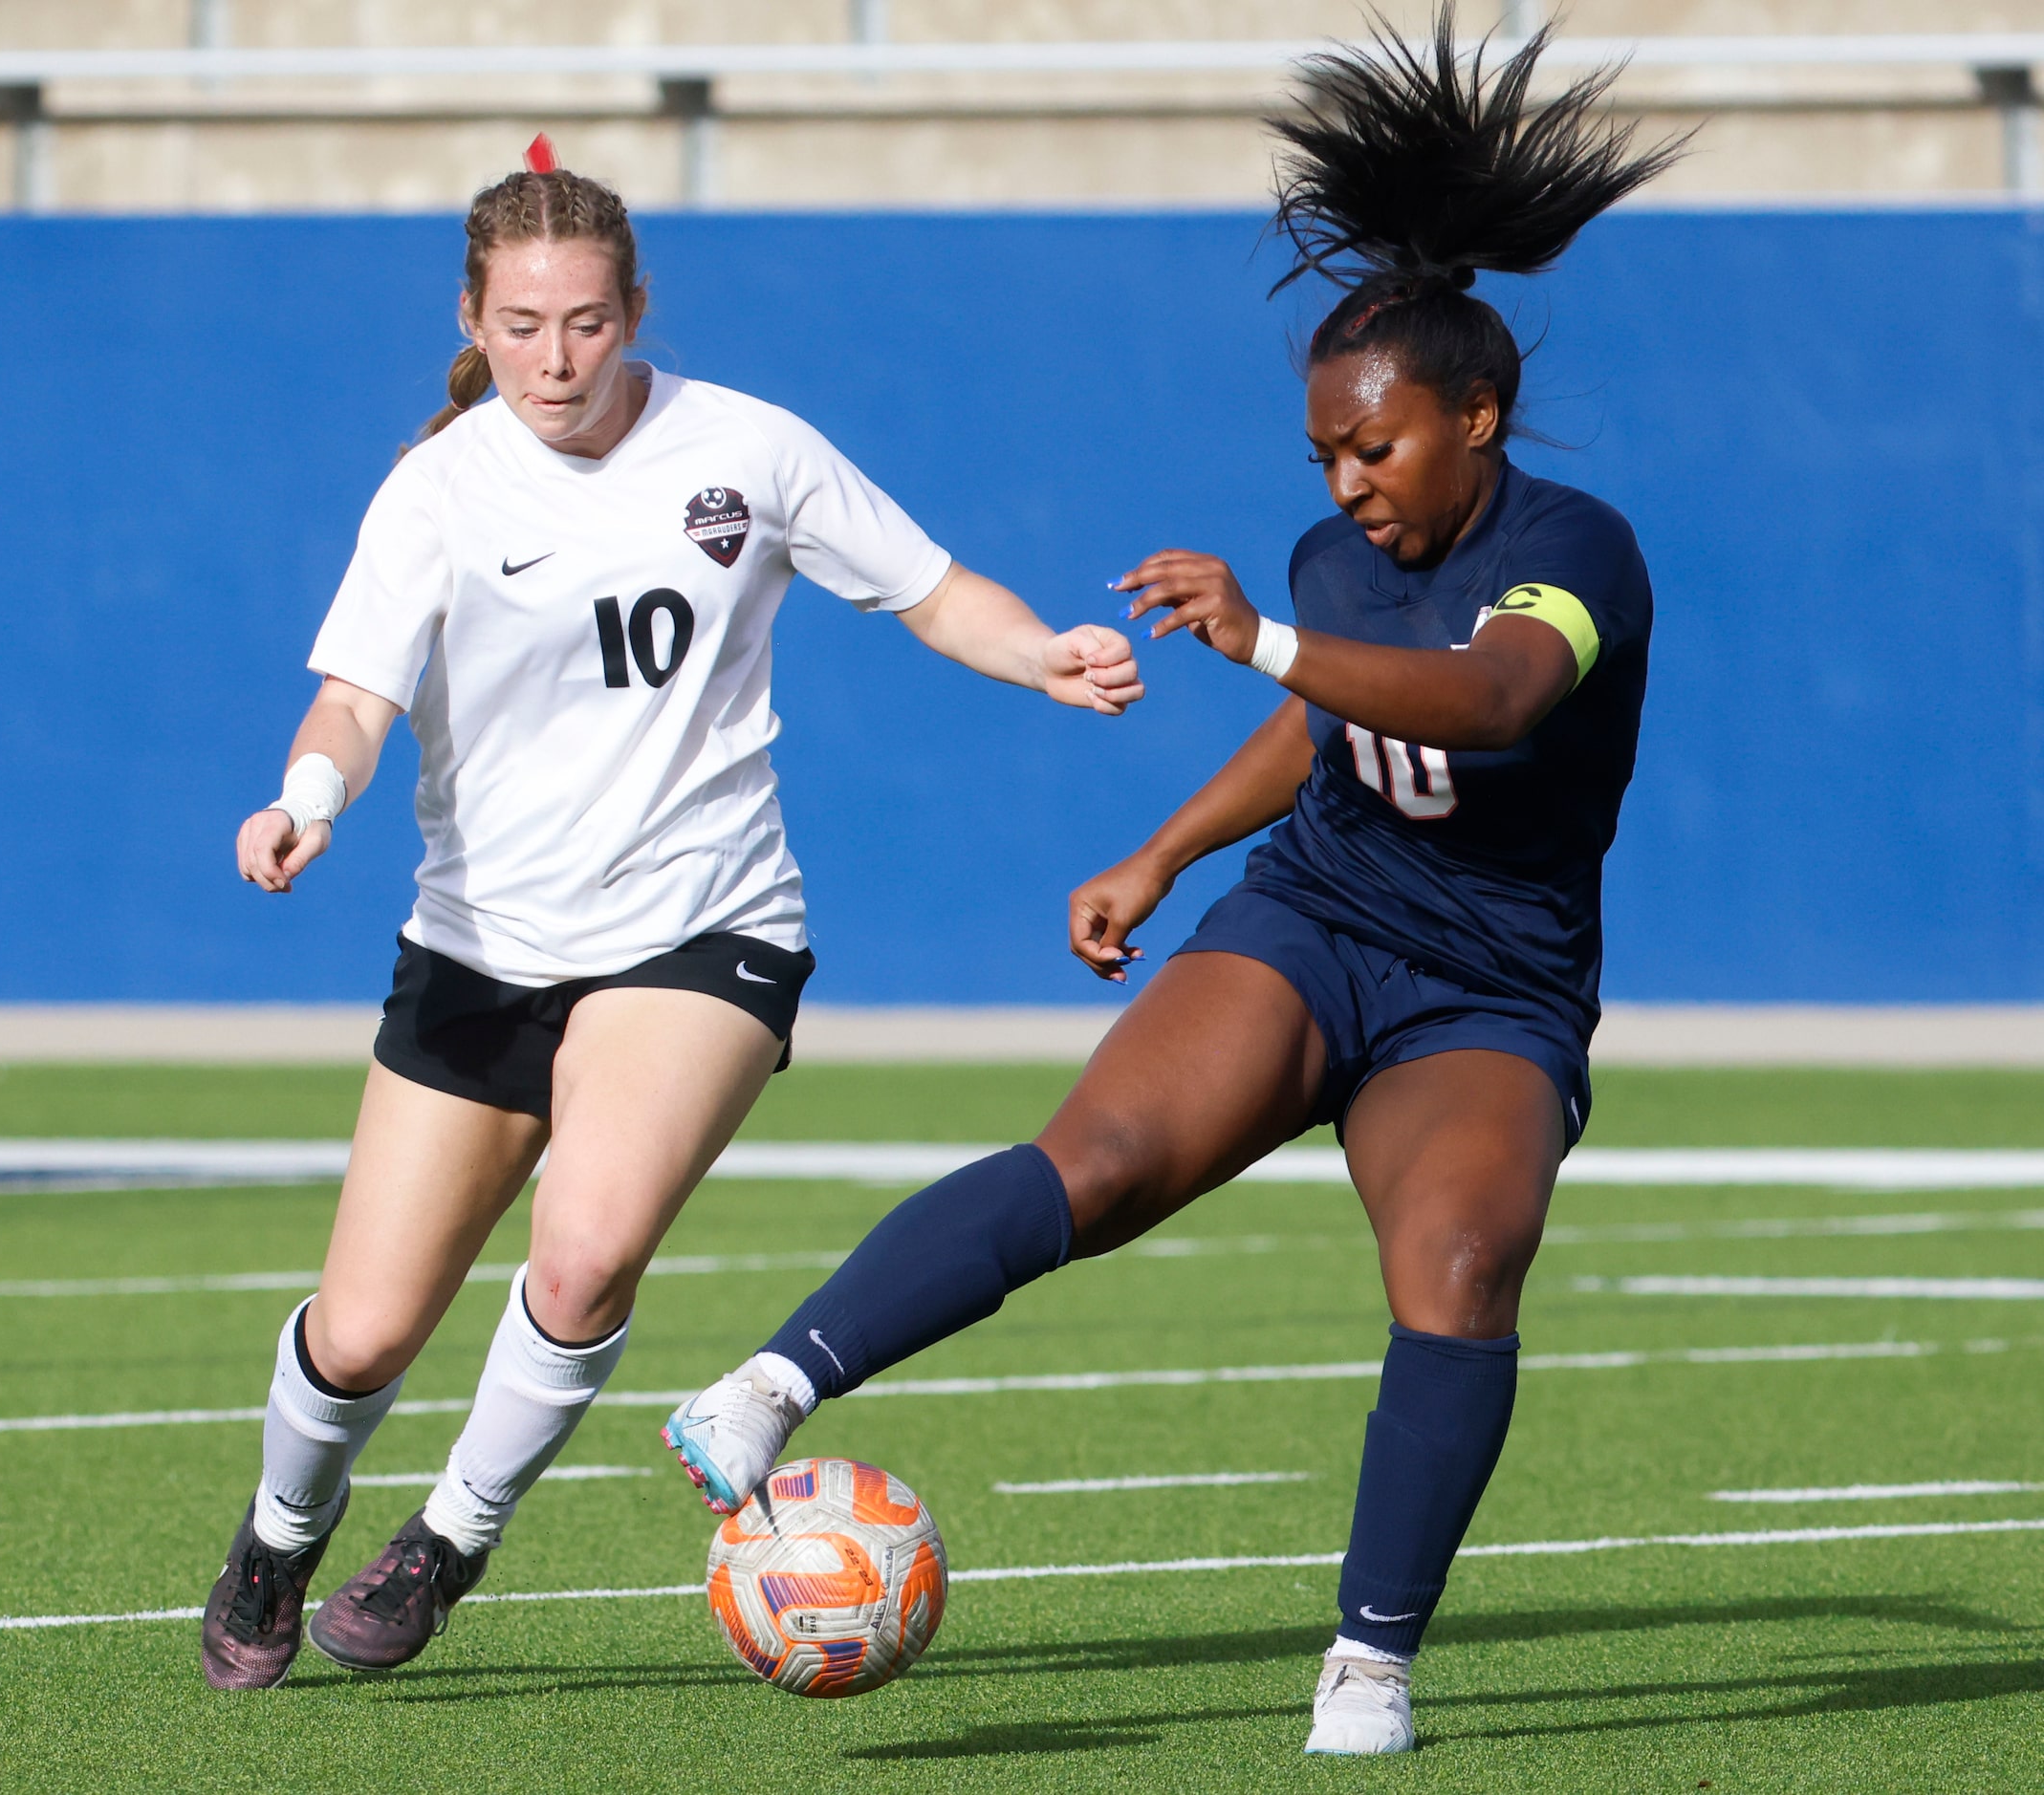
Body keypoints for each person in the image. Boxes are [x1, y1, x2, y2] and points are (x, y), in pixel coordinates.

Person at [663, 13, 1683, 1757]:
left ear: (1480, 420)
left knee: (1460, 1259)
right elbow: (1324, 733)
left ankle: (1369, 1658)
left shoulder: (1572, 552)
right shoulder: (1330, 560)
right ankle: (768, 1386)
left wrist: (1268, 632)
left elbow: (1494, 700)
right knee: (1106, 1163)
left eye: (1381, 450)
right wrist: (1162, 850)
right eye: (1328, 462)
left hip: (1491, 986)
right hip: (1321, 919)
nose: (1353, 486)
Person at [199, 148, 1143, 1691]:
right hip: (480, 942)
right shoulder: (436, 487)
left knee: (580, 1262)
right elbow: (355, 695)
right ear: (472, 317)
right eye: (520, 325)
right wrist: (306, 796)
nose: (555, 359)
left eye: (585, 322)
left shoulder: (747, 448)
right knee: (364, 1333)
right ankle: (280, 1530)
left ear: (636, 309)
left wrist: (1042, 653)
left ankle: (448, 1535)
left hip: (703, 929)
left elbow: (927, 586)